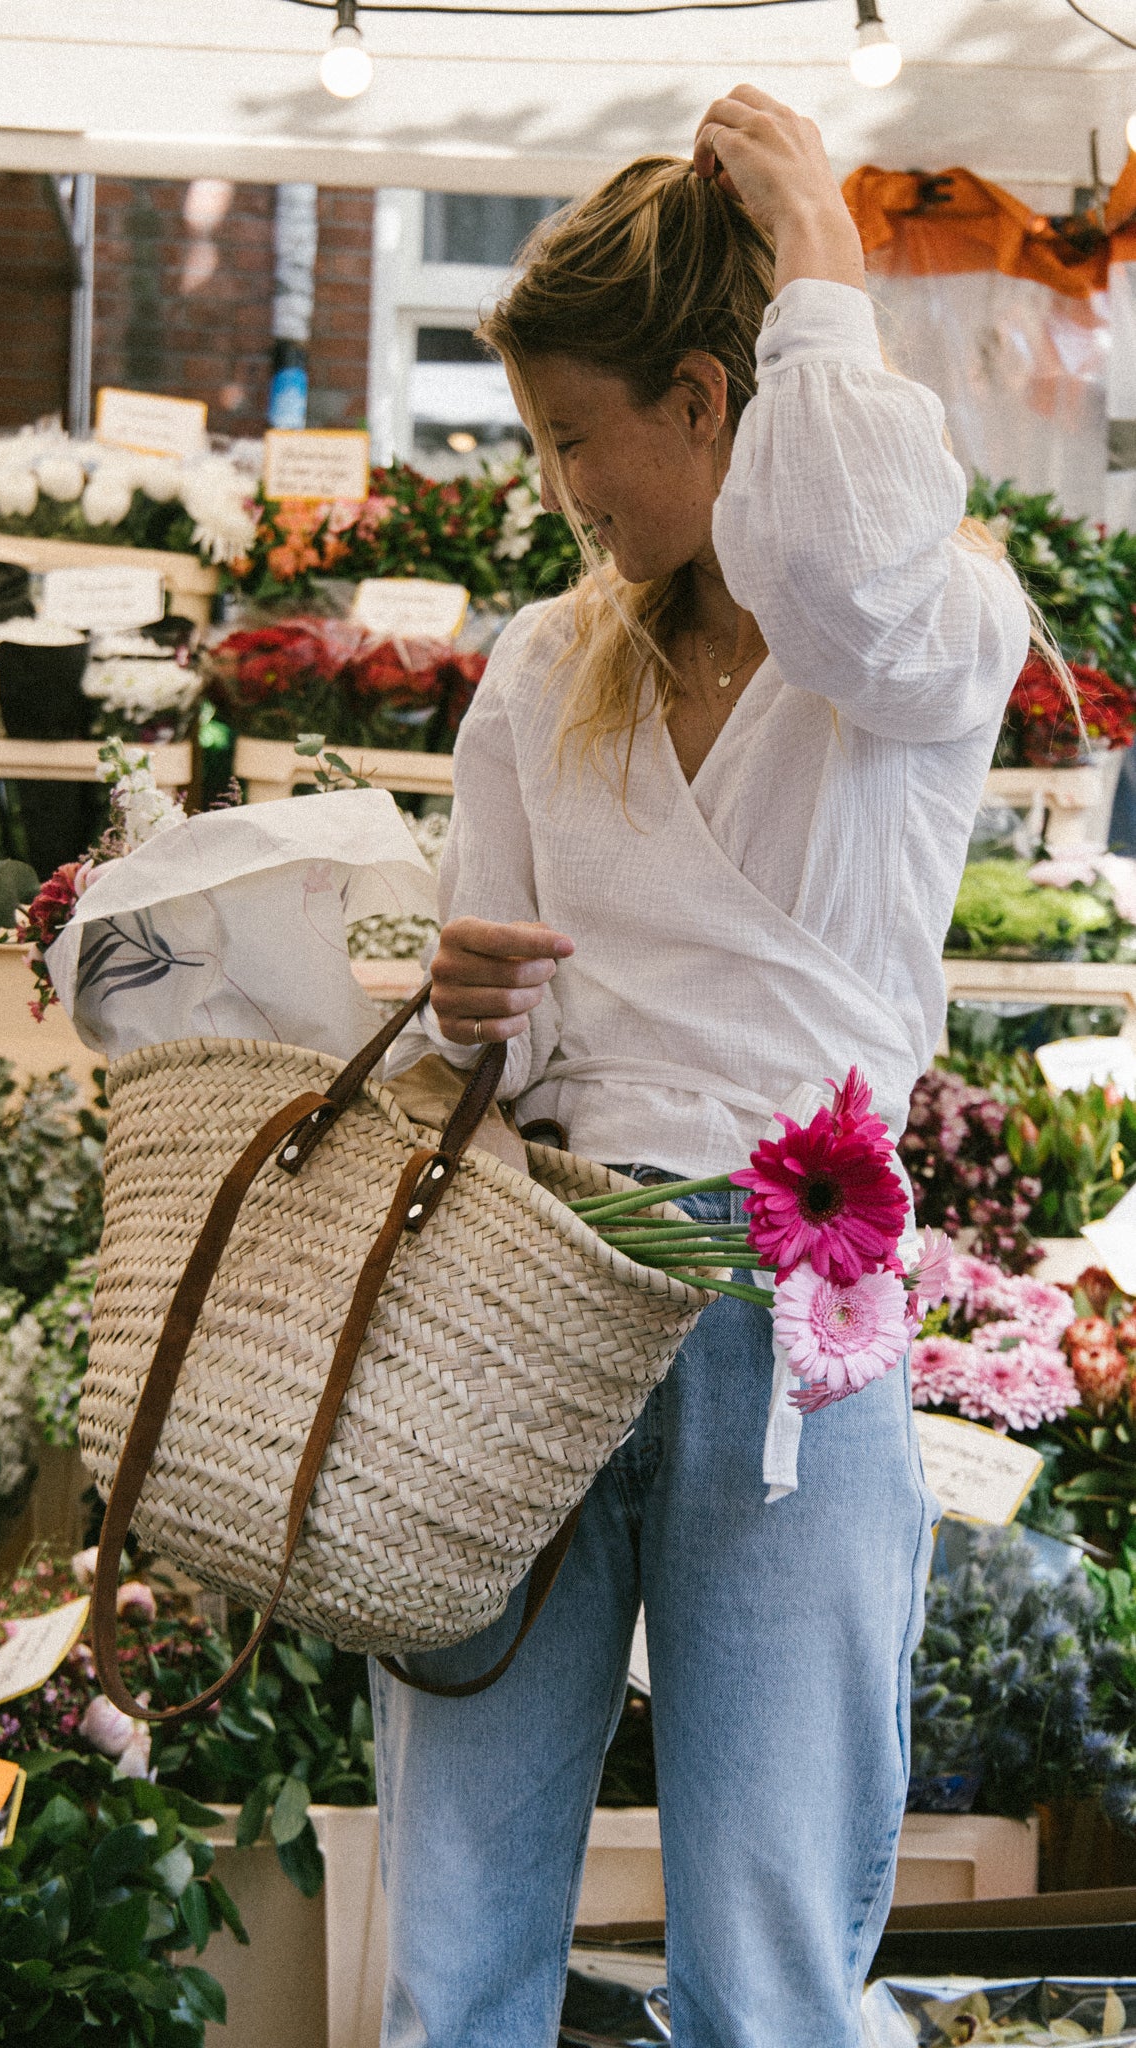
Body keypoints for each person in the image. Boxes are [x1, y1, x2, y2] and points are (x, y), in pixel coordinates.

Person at [373, 87, 1033, 2048]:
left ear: (702, 393)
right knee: (451, 1947)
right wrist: (457, 998)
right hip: (531, 1297)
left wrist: (818, 270)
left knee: (765, 1963)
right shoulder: (532, 665)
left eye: (579, 433)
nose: (559, 483)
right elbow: (471, 1032)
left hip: (792, 1313)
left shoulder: (915, 640)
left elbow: (833, 555)